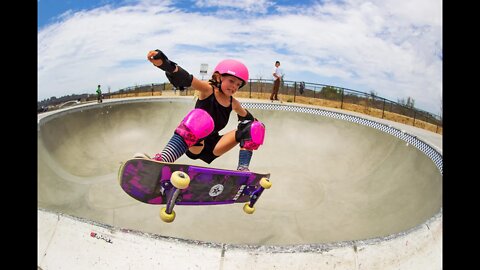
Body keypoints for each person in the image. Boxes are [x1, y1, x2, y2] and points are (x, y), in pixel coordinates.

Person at [141, 49, 266, 172]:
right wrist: (166, 65)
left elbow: (248, 119)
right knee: (200, 117)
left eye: (238, 84)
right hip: (195, 143)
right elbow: (188, 79)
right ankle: (163, 160)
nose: (234, 86)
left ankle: (243, 169)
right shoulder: (208, 90)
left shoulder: (233, 103)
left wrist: (256, 129)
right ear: (219, 77)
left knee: (255, 126)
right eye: (231, 81)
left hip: (214, 147)